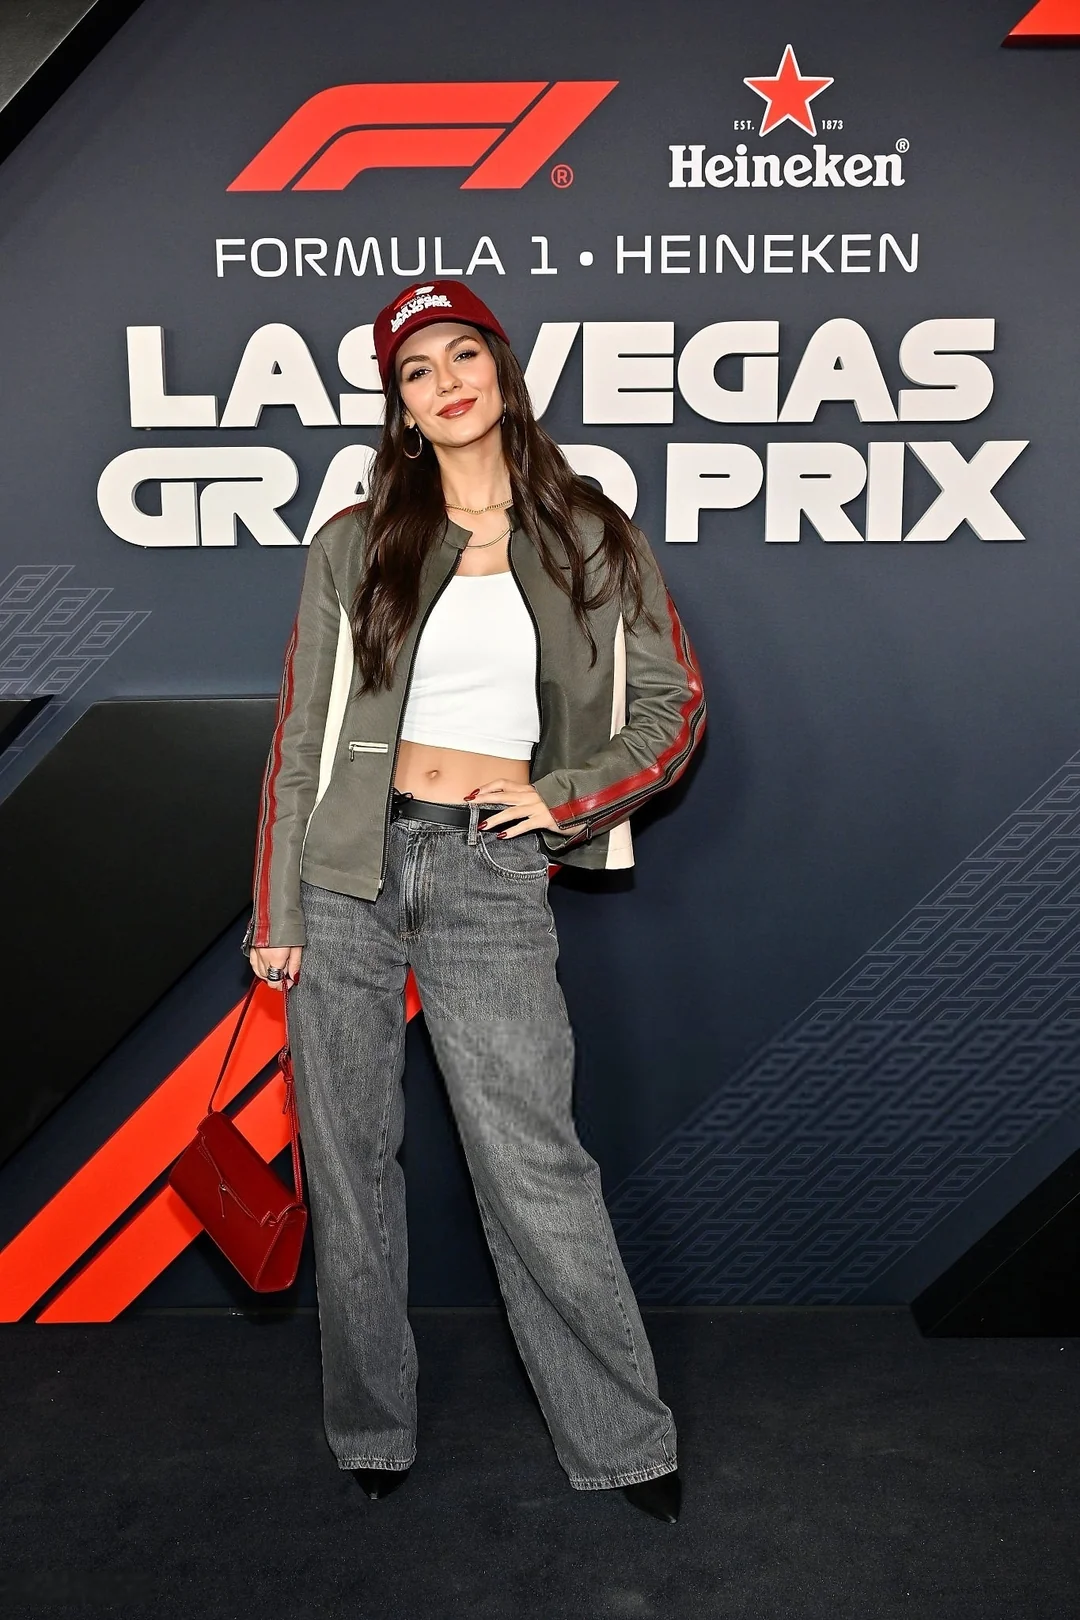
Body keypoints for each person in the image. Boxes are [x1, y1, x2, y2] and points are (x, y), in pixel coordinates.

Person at [241, 278, 706, 1523]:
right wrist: (277, 910)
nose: (444, 383)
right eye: (416, 371)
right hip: (345, 874)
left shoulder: (590, 532)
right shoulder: (355, 542)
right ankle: (370, 1425)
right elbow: (301, 737)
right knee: (347, 1165)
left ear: (501, 373)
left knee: (533, 1163)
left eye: (462, 356)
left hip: (489, 872)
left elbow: (674, 707)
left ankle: (623, 1439)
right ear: (400, 408)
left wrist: (563, 799)